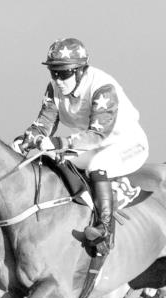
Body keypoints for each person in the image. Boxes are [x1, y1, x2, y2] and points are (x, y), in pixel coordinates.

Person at [13, 38, 149, 254]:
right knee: (53, 161)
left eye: (64, 73)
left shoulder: (102, 87)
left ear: (80, 71)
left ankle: (104, 230)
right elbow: (44, 124)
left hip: (127, 143)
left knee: (98, 165)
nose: (58, 80)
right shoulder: (53, 89)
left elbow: (97, 135)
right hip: (92, 145)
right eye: (53, 72)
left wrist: (58, 143)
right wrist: (25, 140)